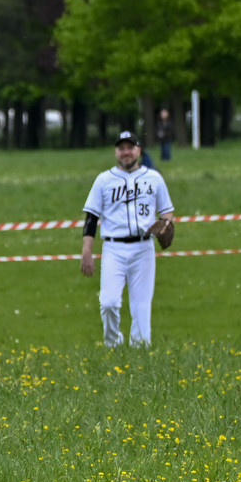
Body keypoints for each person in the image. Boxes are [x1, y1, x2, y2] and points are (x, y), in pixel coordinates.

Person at [80, 130, 174, 348]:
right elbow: (91, 218)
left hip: (143, 248)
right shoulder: (104, 180)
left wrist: (168, 225)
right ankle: (113, 343)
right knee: (109, 302)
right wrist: (87, 251)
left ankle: (140, 350)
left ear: (138, 151)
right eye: (121, 148)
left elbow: (167, 211)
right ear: (116, 152)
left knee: (141, 306)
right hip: (114, 248)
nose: (126, 152)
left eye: (130, 148)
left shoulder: (154, 178)